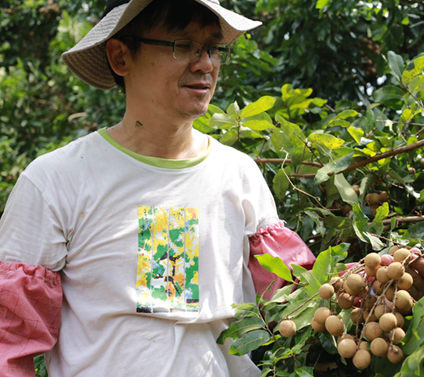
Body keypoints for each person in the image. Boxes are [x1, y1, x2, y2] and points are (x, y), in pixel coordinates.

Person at [0, 1, 315, 376]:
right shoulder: (56, 181)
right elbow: (10, 339)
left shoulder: (238, 174)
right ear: (120, 56)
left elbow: (294, 299)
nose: (205, 65)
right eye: (183, 46)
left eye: (213, 48)